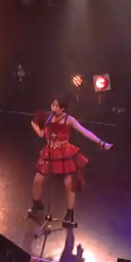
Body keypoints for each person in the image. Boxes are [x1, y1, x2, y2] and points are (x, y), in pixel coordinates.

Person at [28, 95, 112, 227]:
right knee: (37, 180)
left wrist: (101, 143)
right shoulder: (48, 116)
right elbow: (36, 125)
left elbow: (84, 132)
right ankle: (37, 204)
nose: (53, 108)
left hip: (63, 153)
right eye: (52, 105)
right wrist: (38, 130)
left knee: (69, 183)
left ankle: (70, 213)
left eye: (56, 106)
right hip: (49, 151)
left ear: (63, 108)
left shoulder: (69, 120)